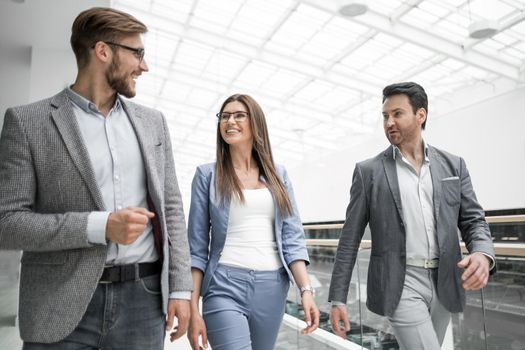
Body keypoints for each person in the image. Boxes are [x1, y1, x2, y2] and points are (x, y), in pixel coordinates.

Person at [0, 7, 192, 349]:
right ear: (103, 51)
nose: (144, 66)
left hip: (143, 299)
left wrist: (180, 289)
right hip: (57, 303)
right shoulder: (28, 123)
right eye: (138, 53)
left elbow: (172, 209)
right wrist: (99, 226)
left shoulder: (153, 123)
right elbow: (7, 223)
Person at [328, 82, 496, 349]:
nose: (389, 122)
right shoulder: (368, 172)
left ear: (421, 115)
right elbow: (350, 238)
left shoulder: (453, 165)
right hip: (400, 282)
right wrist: (337, 298)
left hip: (445, 281)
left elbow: (473, 220)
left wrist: (483, 254)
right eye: (385, 116)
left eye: (397, 114)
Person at [186, 94, 319, 350]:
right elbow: (197, 248)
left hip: (272, 287)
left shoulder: (278, 175)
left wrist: (306, 290)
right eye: (224, 116)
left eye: (238, 115)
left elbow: (292, 238)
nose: (229, 121)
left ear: (255, 123)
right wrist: (193, 309)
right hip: (224, 285)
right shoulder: (207, 175)